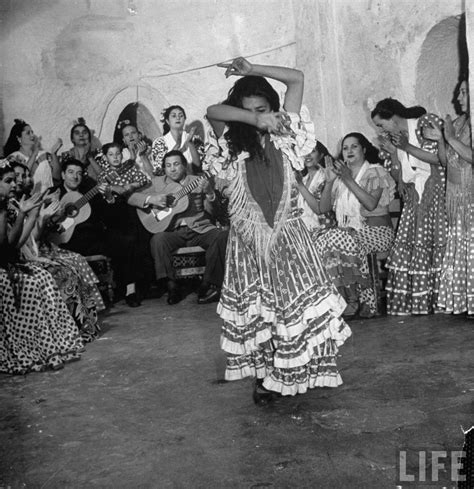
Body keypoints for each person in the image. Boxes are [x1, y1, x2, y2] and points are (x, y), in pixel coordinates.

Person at [205, 57, 351, 402]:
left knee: (292, 308)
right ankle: (265, 376)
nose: (258, 114)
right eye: (248, 109)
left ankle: (292, 370)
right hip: (249, 239)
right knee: (260, 311)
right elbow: (213, 110)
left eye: (263, 107)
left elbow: (297, 79)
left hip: (288, 233)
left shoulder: (288, 132)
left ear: (274, 106)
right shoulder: (230, 140)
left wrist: (252, 68)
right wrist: (254, 118)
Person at [0, 159, 84, 374]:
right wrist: (25, 214)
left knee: (42, 277)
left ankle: (47, 345)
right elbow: (6, 250)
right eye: (8, 180)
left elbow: (13, 245)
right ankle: (24, 348)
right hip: (4, 266)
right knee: (28, 281)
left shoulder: (6, 205)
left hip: (9, 260)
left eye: (14, 180)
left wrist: (31, 213)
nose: (14, 184)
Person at [371, 98, 447, 315]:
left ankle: (440, 300)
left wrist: (406, 147)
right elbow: (397, 176)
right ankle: (420, 303)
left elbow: (439, 159)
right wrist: (395, 154)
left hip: (435, 192)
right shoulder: (392, 137)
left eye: (381, 123)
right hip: (415, 198)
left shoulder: (424, 123)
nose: (380, 129)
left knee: (434, 245)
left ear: (393, 118)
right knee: (412, 248)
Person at [127, 150, 228, 305]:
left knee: (221, 236)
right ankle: (171, 286)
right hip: (173, 232)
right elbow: (132, 198)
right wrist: (152, 198)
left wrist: (209, 193)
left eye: (176, 164)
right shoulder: (158, 182)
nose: (172, 169)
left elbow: (213, 212)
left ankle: (208, 284)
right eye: (168, 166)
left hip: (199, 229)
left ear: (184, 166)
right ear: (164, 169)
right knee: (158, 240)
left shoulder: (198, 181)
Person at [55, 159, 152, 307]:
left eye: (79, 173)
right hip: (65, 242)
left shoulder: (89, 191)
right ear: (62, 175)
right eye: (71, 172)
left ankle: (129, 290)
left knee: (126, 241)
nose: (75, 177)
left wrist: (108, 197)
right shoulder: (54, 193)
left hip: (92, 239)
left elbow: (108, 216)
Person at [318, 133, 396, 317]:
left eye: (354, 146)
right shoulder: (339, 178)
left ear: (364, 150)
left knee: (339, 237)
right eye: (345, 148)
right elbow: (323, 208)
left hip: (378, 233)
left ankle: (361, 300)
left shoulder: (376, 171)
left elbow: (370, 204)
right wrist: (330, 182)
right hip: (349, 235)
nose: (349, 151)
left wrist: (349, 179)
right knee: (324, 239)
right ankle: (349, 298)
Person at [432, 79, 473, 315]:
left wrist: (450, 138)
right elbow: (446, 162)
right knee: (462, 249)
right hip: (457, 196)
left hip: (471, 194)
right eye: (460, 92)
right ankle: (465, 303)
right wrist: (441, 140)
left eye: (464, 93)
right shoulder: (458, 123)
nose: (458, 98)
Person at [4, 119, 62, 191]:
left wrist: (54, 154)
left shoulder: (44, 154)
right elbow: (23, 177)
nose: (32, 135)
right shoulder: (13, 157)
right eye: (28, 133)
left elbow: (57, 177)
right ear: (19, 138)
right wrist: (34, 153)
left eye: (32, 132)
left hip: (49, 196)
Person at [151, 106, 201, 174]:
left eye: (181, 115)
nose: (178, 118)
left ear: (185, 119)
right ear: (167, 121)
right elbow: (158, 170)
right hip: (170, 183)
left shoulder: (195, 139)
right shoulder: (159, 142)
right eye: (174, 116)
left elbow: (198, 166)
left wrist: (190, 143)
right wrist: (177, 146)